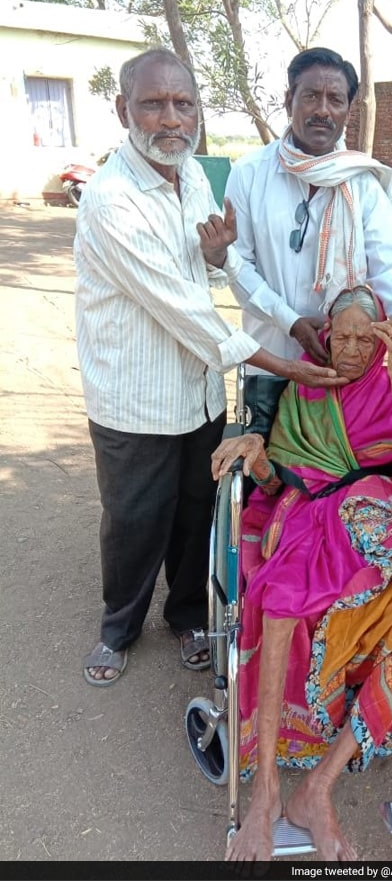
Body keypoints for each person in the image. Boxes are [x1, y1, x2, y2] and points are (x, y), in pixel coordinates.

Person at [75, 48, 347, 687]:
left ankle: (188, 616)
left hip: (198, 390)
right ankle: (119, 626)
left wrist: (220, 258)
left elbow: (197, 273)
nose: (171, 118)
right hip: (135, 395)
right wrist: (287, 364)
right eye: (153, 103)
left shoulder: (193, 175)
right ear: (124, 110)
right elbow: (184, 312)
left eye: (183, 104)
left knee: (199, 506)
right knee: (137, 515)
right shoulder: (112, 200)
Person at [210, 286, 392, 861]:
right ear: (325, 334)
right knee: (280, 600)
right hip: (310, 513)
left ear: (379, 339)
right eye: (339, 336)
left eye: (360, 338)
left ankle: (319, 786)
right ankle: (268, 790)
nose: (348, 349)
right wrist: (257, 451)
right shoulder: (306, 384)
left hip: (382, 511)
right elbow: (276, 484)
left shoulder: (388, 378)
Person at [216, 47, 392, 438]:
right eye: (311, 96)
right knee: (266, 483)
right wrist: (293, 323)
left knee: (338, 486)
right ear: (289, 101)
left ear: (348, 110)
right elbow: (238, 267)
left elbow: (388, 264)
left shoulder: (363, 182)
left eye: (335, 99)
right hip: (271, 363)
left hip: (344, 372)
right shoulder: (249, 174)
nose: (323, 110)